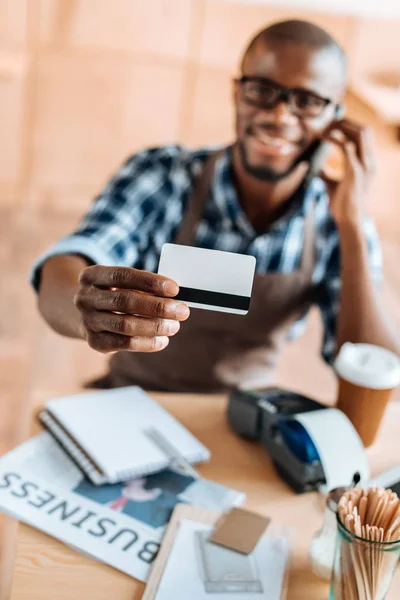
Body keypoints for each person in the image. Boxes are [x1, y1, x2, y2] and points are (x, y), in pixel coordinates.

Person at [32, 20, 399, 392]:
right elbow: (69, 262)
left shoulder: (335, 219)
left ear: (335, 118)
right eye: (262, 90)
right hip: (131, 397)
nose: (279, 116)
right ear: (236, 93)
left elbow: (382, 374)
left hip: (244, 416)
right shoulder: (164, 175)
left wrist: (351, 224)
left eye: (307, 101)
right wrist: (85, 313)